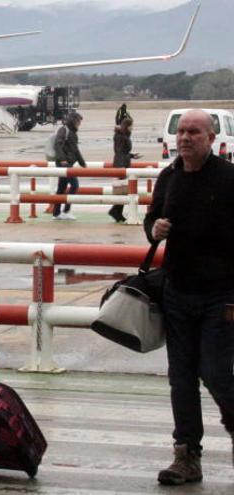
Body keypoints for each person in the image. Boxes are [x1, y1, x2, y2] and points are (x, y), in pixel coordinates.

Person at [144, 109, 234, 486]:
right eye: (181, 132)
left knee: (215, 373)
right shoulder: (169, 177)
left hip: (221, 296)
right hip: (177, 293)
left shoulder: (229, 179)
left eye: (193, 132)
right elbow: (150, 221)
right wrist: (154, 229)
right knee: (180, 379)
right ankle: (186, 456)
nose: (184, 138)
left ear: (211, 139)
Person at [52, 112, 87, 220]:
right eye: (78, 121)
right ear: (73, 120)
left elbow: (75, 150)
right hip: (64, 164)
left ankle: (56, 213)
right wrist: (62, 159)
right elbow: (57, 144)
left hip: (68, 163)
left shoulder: (73, 133)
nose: (79, 123)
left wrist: (82, 163)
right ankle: (66, 211)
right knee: (75, 185)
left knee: (61, 188)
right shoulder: (64, 130)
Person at [109, 117, 139, 223]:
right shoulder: (121, 136)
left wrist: (131, 156)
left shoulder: (123, 135)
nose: (132, 128)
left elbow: (123, 152)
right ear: (127, 126)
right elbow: (119, 152)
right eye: (131, 126)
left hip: (122, 163)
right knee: (123, 190)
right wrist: (121, 167)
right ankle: (115, 211)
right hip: (121, 165)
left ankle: (116, 212)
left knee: (124, 190)